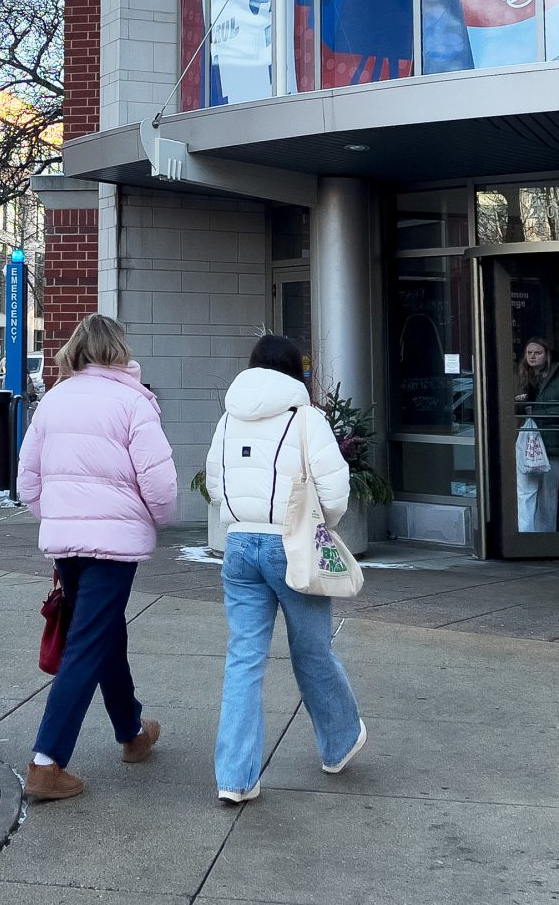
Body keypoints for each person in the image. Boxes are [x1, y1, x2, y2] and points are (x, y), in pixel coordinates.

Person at [16, 313, 178, 802]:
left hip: (67, 545)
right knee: (88, 643)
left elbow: (27, 484)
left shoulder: (54, 400)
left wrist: (64, 515)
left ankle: (131, 733)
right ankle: (46, 762)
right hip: (114, 545)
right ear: (119, 351)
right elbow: (161, 486)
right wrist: (155, 520)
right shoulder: (134, 403)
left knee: (105, 633)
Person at [204, 334, 365, 805]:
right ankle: (338, 744)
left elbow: (216, 483)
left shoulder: (229, 417)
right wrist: (317, 526)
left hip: (238, 546)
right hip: (291, 546)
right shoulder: (306, 418)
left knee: (243, 659)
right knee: (312, 651)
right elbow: (334, 493)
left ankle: (235, 777)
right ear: (297, 371)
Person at [514, 337, 559, 533]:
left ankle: (545, 536)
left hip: (552, 443)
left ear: (547, 356)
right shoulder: (519, 377)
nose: (532, 356)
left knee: (548, 492)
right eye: (529, 352)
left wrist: (541, 413)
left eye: (537, 352)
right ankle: (525, 534)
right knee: (525, 491)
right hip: (525, 441)